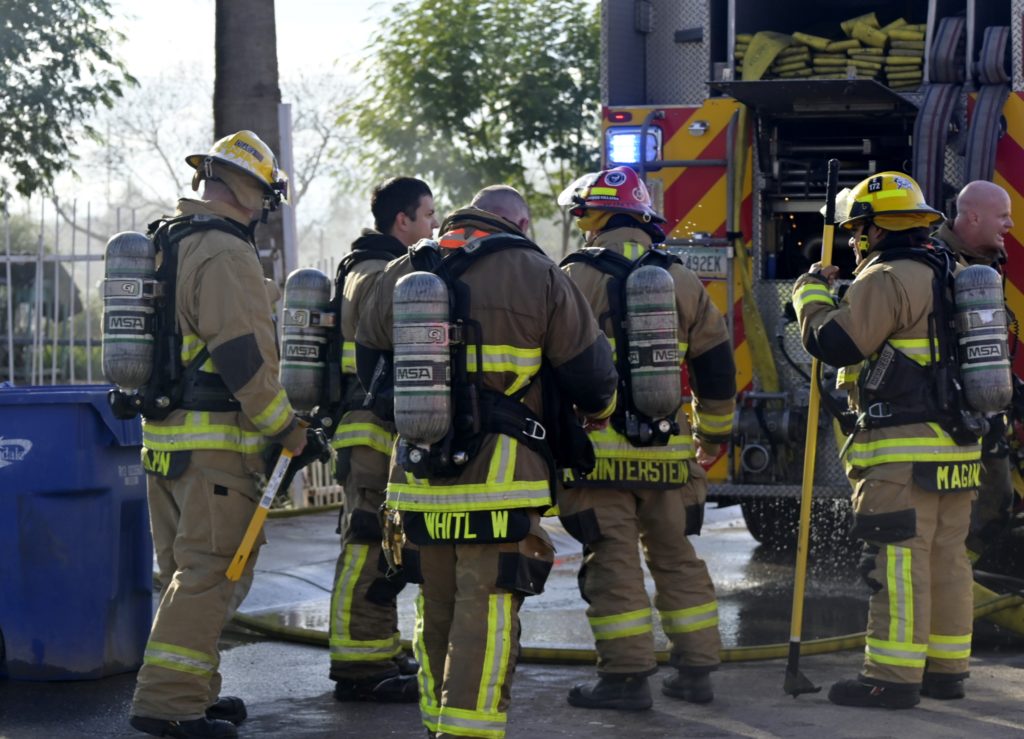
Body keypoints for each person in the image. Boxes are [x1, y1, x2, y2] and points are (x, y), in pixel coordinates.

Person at [356, 185, 617, 738]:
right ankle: (469, 731)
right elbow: (592, 374)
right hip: (501, 479)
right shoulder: (537, 272)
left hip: (418, 477)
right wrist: (598, 413)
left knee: (435, 605)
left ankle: (438, 723)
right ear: (518, 224)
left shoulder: (406, 268)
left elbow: (371, 370)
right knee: (487, 608)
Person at [129, 131, 315, 738]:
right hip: (215, 452)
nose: (264, 209)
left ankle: (195, 691)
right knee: (209, 577)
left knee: (183, 576)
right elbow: (242, 357)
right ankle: (169, 704)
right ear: (246, 188)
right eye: (265, 196)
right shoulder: (226, 251)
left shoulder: (169, 242)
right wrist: (286, 428)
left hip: (165, 445)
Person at [792, 171, 981, 709]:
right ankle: (945, 671)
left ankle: (892, 679)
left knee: (898, 564)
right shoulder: (955, 272)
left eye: (858, 232)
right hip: (958, 450)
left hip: (902, 453)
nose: (855, 243)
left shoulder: (887, 277)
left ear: (876, 229)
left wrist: (809, 293)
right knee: (947, 561)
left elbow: (837, 343)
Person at [556, 166, 736, 711]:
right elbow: (716, 367)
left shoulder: (572, 278)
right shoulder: (681, 278)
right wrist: (713, 435)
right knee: (676, 556)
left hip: (596, 458)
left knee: (613, 561)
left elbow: (552, 366)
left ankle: (626, 679)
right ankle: (697, 670)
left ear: (594, 217)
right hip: (669, 454)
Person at [326, 176, 438, 702]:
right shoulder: (384, 274)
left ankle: (379, 647)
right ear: (403, 220)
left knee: (383, 541)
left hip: (368, 427)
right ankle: (360, 663)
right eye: (428, 215)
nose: (434, 225)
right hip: (372, 428)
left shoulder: (365, 267)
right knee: (369, 542)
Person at [933, 181, 1016, 558]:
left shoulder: (982, 262)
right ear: (974, 217)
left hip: (980, 407)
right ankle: (953, 579)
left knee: (995, 503)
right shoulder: (935, 262)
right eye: (1004, 216)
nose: (1010, 225)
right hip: (945, 412)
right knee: (951, 512)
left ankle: (961, 578)